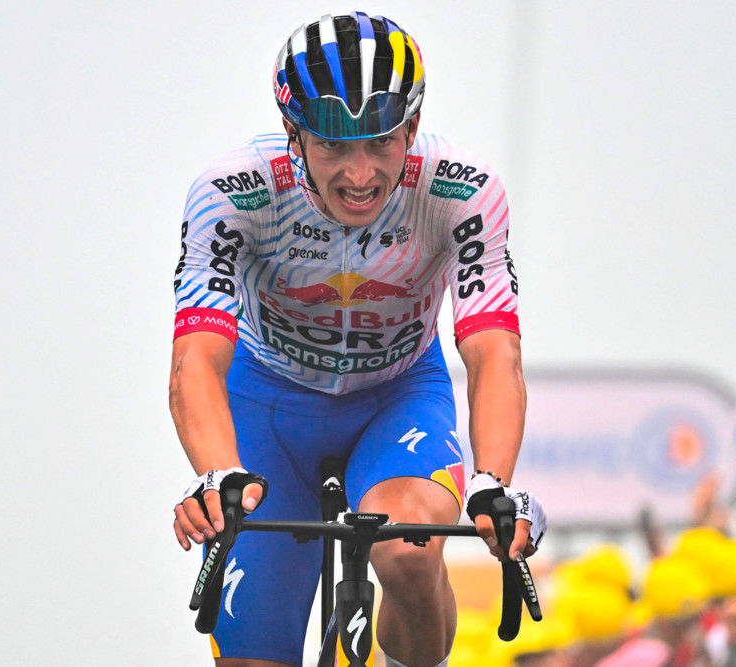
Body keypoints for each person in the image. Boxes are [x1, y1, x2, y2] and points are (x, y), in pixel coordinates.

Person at [168, 12, 546, 667]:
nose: (361, 173)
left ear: (412, 129)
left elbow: (493, 351)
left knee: (408, 553)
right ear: (293, 132)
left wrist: (493, 481)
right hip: (268, 405)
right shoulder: (234, 194)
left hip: (397, 396)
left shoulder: (461, 190)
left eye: (381, 142)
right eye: (333, 146)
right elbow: (195, 357)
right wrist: (217, 470)